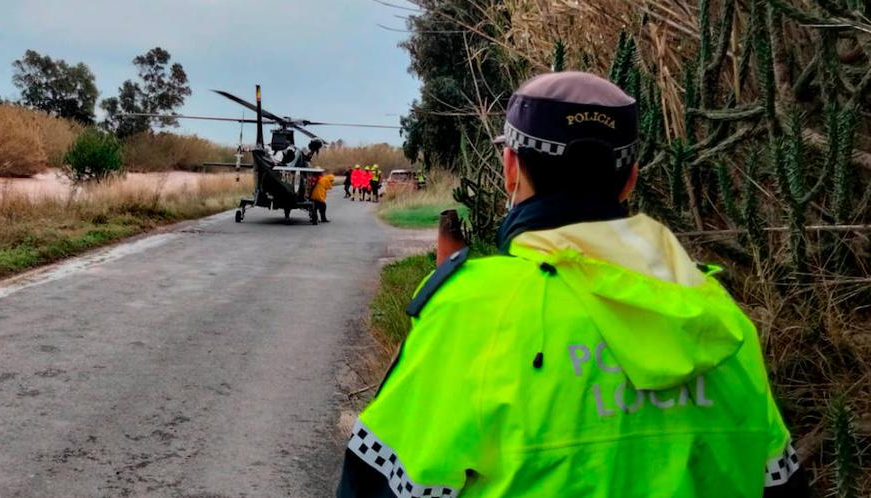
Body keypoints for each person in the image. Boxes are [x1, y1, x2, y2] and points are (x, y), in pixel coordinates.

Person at [337, 71, 805, 498]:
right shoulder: (720, 318)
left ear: (510, 169)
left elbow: (381, 486)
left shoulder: (468, 311)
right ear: (629, 181)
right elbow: (780, 483)